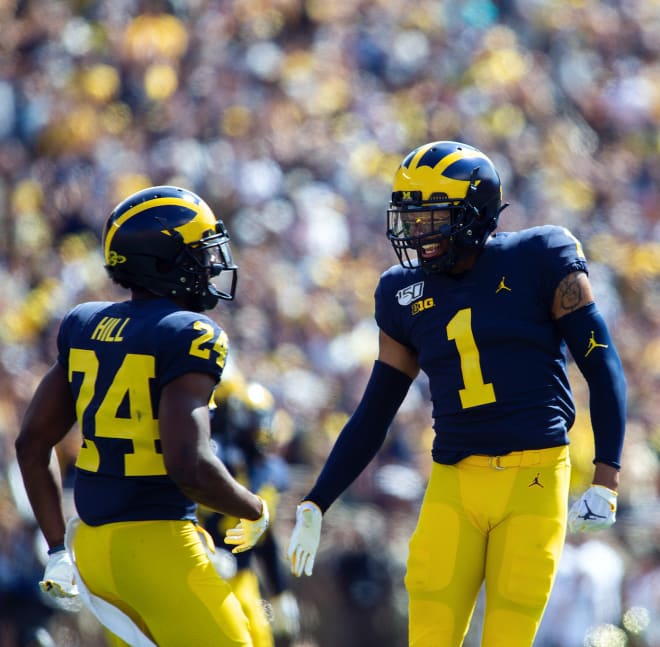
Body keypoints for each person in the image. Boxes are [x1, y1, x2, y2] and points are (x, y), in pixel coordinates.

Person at [287, 141, 626, 647]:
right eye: (409, 218)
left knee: (508, 632)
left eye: (430, 217)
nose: (414, 232)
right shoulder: (401, 291)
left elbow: (601, 364)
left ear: (473, 213)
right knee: (429, 632)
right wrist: (318, 499)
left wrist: (606, 477)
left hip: (534, 474)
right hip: (453, 479)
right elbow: (377, 409)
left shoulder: (541, 257)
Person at [15, 185, 270, 647]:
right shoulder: (189, 333)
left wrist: (57, 549)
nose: (211, 265)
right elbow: (188, 467)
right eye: (198, 253)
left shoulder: (85, 324)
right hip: (160, 546)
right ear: (165, 260)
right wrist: (253, 508)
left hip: (91, 550)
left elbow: (31, 445)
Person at [200, 372, 299, 647]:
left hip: (242, 576)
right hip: (201, 568)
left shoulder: (272, 471)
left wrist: (280, 594)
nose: (260, 429)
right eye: (254, 420)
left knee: (257, 638)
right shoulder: (219, 456)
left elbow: (265, 538)